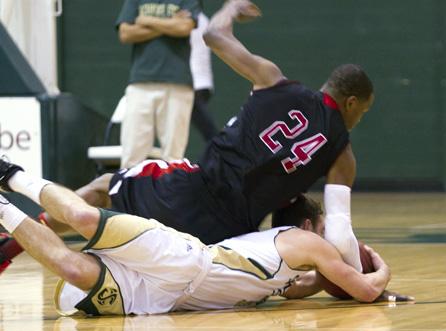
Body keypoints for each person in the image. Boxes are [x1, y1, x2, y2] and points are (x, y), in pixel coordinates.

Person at [0, 0, 372, 276]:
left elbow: (211, 34)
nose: (359, 118)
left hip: (193, 191)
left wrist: (229, 9)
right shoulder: (343, 155)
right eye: (363, 111)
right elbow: (339, 229)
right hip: (232, 236)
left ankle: (12, 243)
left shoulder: (274, 80)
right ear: (351, 102)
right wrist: (360, 277)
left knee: (102, 187)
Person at [0, 158, 410, 315]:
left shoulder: (286, 265)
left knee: (70, 268)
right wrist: (384, 273)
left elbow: (297, 287)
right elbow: (364, 291)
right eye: (325, 232)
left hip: (165, 298)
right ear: (308, 228)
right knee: (83, 216)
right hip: (180, 259)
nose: (331, 243)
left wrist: (324, 282)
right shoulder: (307, 243)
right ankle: (12, 174)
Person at [116, 0, 201, 168]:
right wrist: (170, 23)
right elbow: (125, 33)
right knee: (132, 156)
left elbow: (184, 28)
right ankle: (129, 194)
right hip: (140, 82)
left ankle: (171, 194)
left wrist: (146, 20)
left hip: (178, 82)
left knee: (174, 158)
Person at [190, 9, 220, 147]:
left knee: (209, 132)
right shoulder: (203, 18)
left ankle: (222, 153)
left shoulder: (192, 19)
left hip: (193, 83)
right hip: (201, 84)